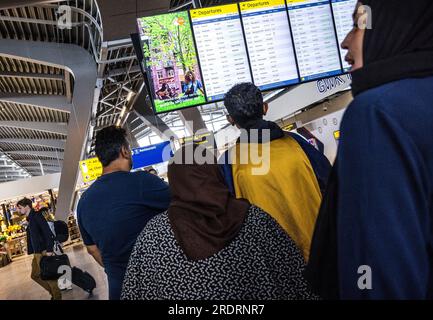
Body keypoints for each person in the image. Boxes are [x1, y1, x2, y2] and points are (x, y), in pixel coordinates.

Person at [305, 1, 433, 299]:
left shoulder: (377, 113)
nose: (345, 42)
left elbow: (378, 275)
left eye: (359, 25)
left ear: (395, 26)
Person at [121, 145, 316, 300]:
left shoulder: (153, 238)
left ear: (175, 181)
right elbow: (299, 279)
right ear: (214, 172)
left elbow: (133, 292)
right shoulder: (255, 219)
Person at [220, 83, 331, 261]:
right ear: (265, 108)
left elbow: (229, 217)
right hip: (322, 251)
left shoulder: (229, 162)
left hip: (274, 264)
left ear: (230, 119)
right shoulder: (297, 144)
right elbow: (331, 185)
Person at [77, 126, 171, 300]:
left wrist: (115, 269)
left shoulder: (84, 202)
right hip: (157, 281)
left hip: (118, 288)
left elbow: (91, 249)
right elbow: (183, 206)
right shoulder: (142, 182)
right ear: (124, 151)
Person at [17, 198, 61, 300]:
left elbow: (47, 232)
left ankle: (57, 296)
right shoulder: (30, 219)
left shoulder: (37, 216)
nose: (18, 211)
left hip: (44, 251)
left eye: (20, 208)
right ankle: (53, 293)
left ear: (27, 206)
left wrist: (49, 250)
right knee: (35, 275)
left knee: (48, 276)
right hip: (37, 252)